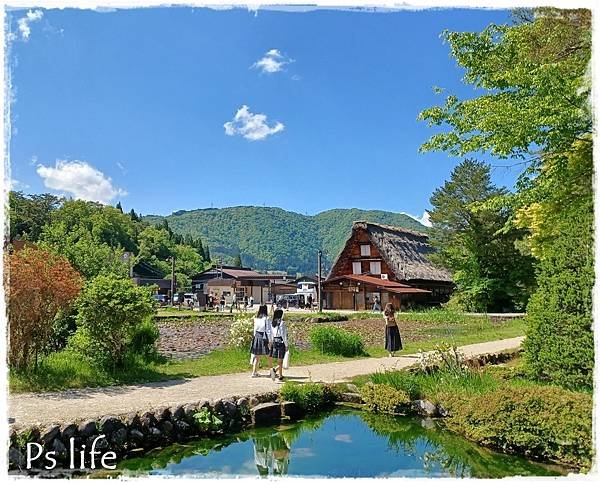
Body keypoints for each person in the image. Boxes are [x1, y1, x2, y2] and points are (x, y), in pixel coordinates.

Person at [251, 305, 272, 377]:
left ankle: (254, 372)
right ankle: (271, 372)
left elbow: (254, 329)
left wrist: (254, 337)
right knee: (269, 355)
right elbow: (268, 330)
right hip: (264, 337)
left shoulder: (256, 318)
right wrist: (270, 340)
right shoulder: (267, 318)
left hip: (257, 336)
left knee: (257, 356)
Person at [269, 309, 288, 381]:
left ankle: (280, 375)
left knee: (279, 360)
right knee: (280, 360)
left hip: (275, 341)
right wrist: (286, 345)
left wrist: (270, 341)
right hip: (281, 342)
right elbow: (284, 335)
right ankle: (274, 370)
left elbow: (270, 333)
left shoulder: (273, 323)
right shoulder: (282, 323)